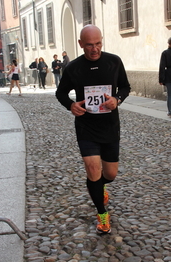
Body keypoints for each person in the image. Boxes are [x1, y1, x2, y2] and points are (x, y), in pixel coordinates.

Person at [56, 25, 131, 234]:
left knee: (110, 174)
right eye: (89, 45)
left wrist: (117, 99)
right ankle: (102, 214)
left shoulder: (114, 62)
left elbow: (125, 87)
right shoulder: (73, 68)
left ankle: (99, 187)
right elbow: (61, 93)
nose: (95, 49)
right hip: (86, 127)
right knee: (92, 170)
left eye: (98, 43)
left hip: (109, 126)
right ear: (81, 44)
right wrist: (71, 105)